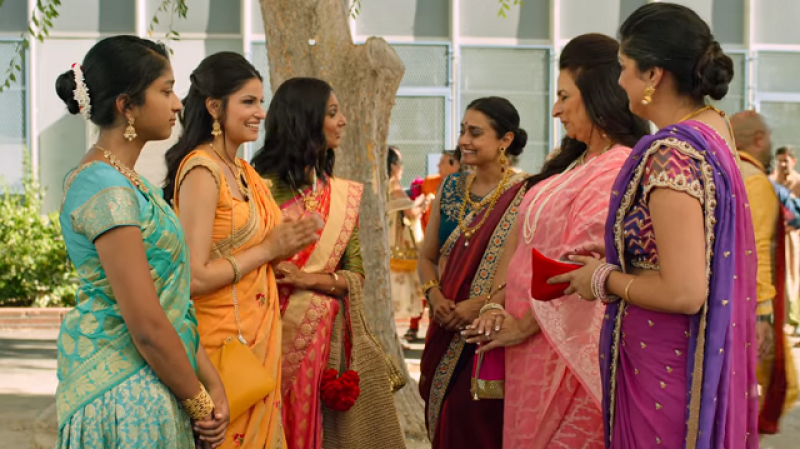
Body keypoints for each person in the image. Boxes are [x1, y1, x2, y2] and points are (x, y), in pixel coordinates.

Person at [550, 4, 759, 448]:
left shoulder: (672, 154)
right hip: (678, 356)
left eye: (624, 67)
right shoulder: (715, 129)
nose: (619, 79)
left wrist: (603, 278)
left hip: (664, 365)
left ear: (653, 76)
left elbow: (684, 292)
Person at [462, 33, 649, 449]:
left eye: (565, 96)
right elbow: (520, 240)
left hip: (565, 357)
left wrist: (522, 325)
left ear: (598, 95)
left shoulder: (616, 165)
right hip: (530, 349)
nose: (555, 109)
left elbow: (579, 266)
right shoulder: (571, 163)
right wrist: (495, 303)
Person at [54, 36, 228, 448]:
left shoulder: (129, 182)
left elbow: (173, 307)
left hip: (155, 381)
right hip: (124, 394)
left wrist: (211, 382)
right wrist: (201, 404)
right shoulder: (103, 185)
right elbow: (147, 324)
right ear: (126, 105)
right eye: (166, 91)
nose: (178, 104)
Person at [164, 53, 322, 449]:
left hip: (257, 340)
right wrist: (269, 247)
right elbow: (193, 278)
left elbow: (256, 251)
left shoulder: (244, 171)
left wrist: (285, 243)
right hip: (222, 347)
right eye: (248, 102)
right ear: (215, 108)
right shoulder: (202, 171)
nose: (259, 112)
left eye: (260, 101)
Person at [251, 77, 404, 449]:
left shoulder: (337, 194)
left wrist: (306, 279)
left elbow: (356, 275)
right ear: (305, 119)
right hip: (262, 332)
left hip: (317, 339)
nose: (343, 121)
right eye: (332, 113)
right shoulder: (256, 187)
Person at [418, 96, 529, 449]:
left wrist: (480, 304)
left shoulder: (526, 193)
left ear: (505, 140)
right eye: (464, 130)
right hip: (446, 323)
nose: (464, 139)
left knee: (473, 419)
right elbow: (427, 257)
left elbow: (523, 269)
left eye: (476, 132)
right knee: (445, 416)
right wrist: (435, 297)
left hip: (488, 332)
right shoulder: (450, 189)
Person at [730, 111, 798, 434]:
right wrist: (762, 314)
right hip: (744, 307)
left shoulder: (728, 172)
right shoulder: (755, 180)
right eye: (768, 135)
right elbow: (755, 250)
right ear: (758, 139)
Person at [387, 146, 431, 343]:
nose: (401, 168)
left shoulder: (380, 185)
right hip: (397, 247)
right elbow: (411, 213)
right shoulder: (393, 185)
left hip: (387, 243)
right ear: (392, 166)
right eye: (399, 163)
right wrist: (425, 202)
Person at [772, 145, 800, 336]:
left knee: (794, 278)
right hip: (776, 238)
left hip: (794, 238)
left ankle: (795, 321)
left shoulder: (798, 182)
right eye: (780, 160)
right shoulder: (771, 181)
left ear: (793, 161)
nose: (783, 164)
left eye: (786, 160)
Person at [420, 149, 461, 230]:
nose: (438, 165)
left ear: (455, 165)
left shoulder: (463, 185)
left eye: (442, 162)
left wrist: (435, 201)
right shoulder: (429, 182)